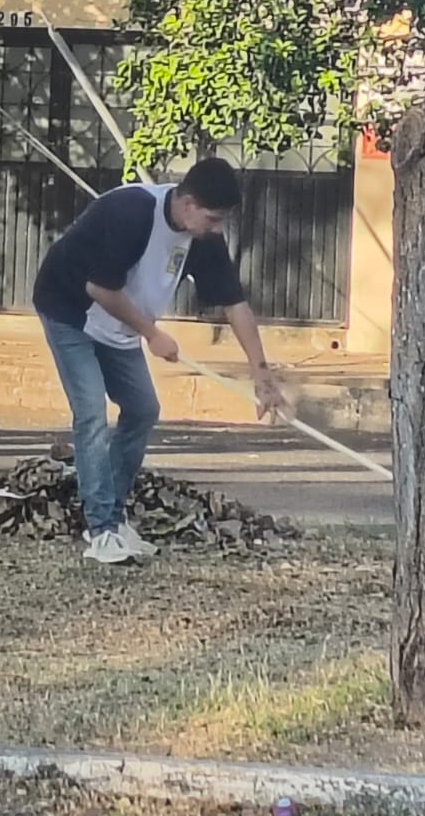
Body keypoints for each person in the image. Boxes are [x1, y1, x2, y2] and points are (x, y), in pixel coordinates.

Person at [32, 157, 285, 565]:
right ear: (187, 203)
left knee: (143, 409)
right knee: (91, 412)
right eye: (213, 218)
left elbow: (234, 303)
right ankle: (101, 530)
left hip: (119, 325)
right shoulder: (131, 213)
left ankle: (115, 519)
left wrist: (262, 376)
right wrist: (151, 334)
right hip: (70, 312)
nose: (217, 229)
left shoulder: (203, 237)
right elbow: (99, 288)